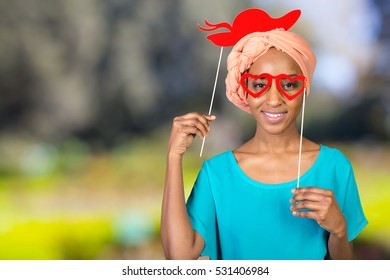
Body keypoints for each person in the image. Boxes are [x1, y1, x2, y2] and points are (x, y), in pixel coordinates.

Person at [161, 10, 368, 260]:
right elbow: (178, 259)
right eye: (259, 84)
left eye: (288, 85)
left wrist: (339, 230)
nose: (273, 99)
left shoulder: (335, 167)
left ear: (304, 89)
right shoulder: (216, 174)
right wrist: (173, 157)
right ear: (245, 91)